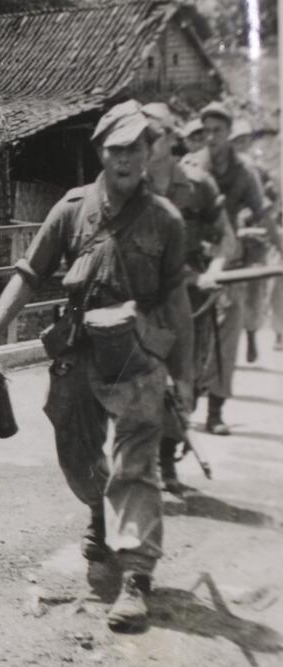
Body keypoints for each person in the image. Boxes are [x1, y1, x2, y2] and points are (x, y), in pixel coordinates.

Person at [0, 100, 193, 633]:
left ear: (149, 153)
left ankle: (136, 577)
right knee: (77, 459)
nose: (126, 158)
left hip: (139, 358)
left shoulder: (165, 221)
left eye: (136, 148)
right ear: (101, 152)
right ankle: (101, 513)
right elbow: (27, 274)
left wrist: (184, 375)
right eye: (116, 148)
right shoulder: (72, 209)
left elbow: (178, 302)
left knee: (136, 466)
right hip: (78, 353)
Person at [141, 103, 236, 496]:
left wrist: (213, 271)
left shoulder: (199, 185)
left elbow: (227, 240)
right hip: (143, 299)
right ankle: (149, 463)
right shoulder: (128, 183)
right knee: (142, 378)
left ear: (170, 138)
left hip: (191, 301)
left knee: (186, 382)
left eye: (152, 135)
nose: (142, 144)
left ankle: (167, 457)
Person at [184, 102, 283, 434]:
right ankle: (187, 404)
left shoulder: (245, 173)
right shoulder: (193, 167)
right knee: (196, 337)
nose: (211, 138)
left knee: (227, 338)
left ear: (228, 133)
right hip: (195, 265)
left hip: (234, 265)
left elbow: (265, 216)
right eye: (206, 131)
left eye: (218, 131)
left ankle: (215, 412)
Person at [229, 119, 277, 364]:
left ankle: (251, 338)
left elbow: (270, 204)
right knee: (230, 293)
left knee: (254, 293)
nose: (241, 144)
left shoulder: (259, 171)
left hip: (255, 240)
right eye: (237, 140)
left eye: (245, 139)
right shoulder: (223, 170)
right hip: (233, 240)